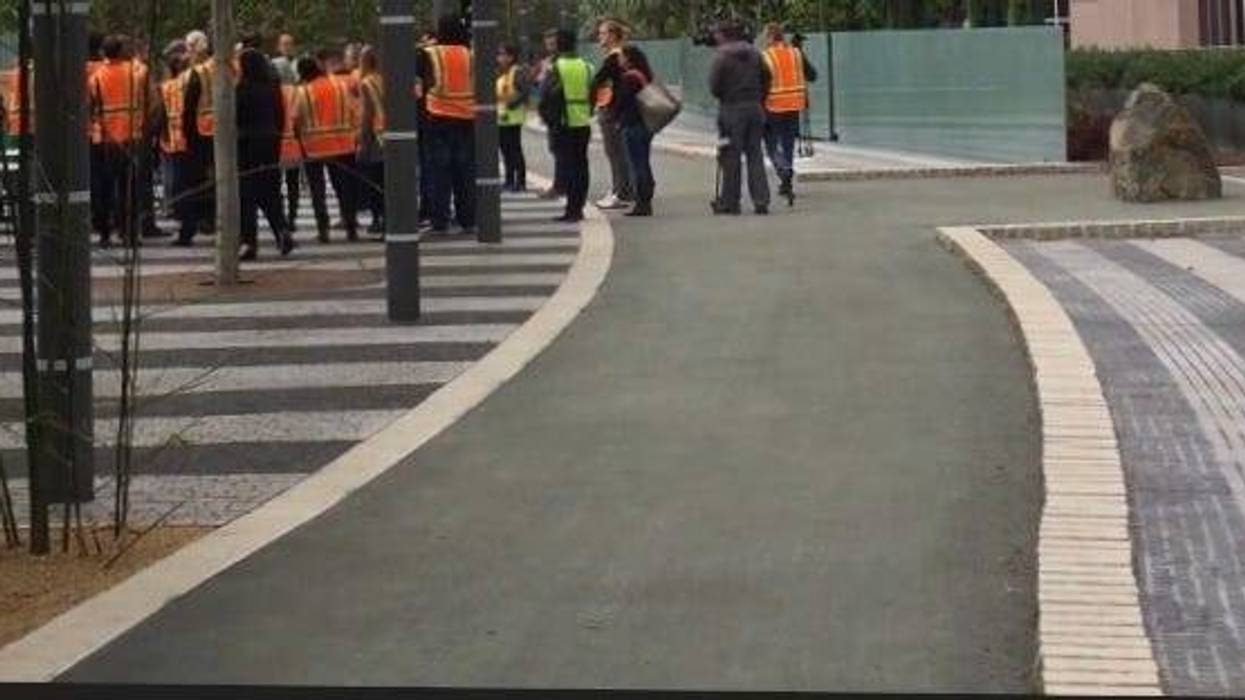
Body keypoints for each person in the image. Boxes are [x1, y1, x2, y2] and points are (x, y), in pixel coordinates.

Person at [88, 34, 151, 247]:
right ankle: (129, 233)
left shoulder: (96, 77)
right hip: (132, 137)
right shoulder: (136, 73)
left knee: (104, 188)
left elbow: (91, 108)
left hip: (106, 139)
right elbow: (147, 101)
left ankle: (104, 233)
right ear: (122, 51)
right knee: (129, 189)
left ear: (104, 53)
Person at [417, 14, 476, 234]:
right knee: (464, 172)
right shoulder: (470, 54)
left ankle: (440, 220)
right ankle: (467, 219)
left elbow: (417, 88)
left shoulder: (429, 53)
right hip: (466, 119)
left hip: (437, 118)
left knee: (438, 173)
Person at [293, 55, 359, 242]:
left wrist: (299, 139)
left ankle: (323, 229)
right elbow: (353, 110)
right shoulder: (340, 86)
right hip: (343, 143)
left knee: (317, 189)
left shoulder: (303, 92)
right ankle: (351, 225)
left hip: (314, 146)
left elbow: (296, 119)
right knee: (345, 187)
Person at [236, 48, 294, 260]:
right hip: (270, 142)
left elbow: (236, 117)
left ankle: (249, 241)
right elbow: (280, 115)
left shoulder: (241, 89)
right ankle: (281, 229)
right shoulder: (272, 87)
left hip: (247, 144)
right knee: (270, 191)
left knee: (246, 195)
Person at [708, 21, 770, 216]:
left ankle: (730, 201)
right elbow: (767, 77)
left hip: (731, 109)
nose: (715, 37)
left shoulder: (721, 56)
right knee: (755, 154)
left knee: (730, 156)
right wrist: (759, 98)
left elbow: (714, 86)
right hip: (755, 108)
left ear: (724, 35)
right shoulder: (755, 53)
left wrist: (726, 95)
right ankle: (761, 200)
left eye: (717, 34)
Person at [539, 28, 592, 223]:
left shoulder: (556, 67)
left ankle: (571, 210)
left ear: (559, 45)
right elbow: (595, 92)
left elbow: (547, 94)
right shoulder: (587, 66)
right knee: (582, 166)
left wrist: (547, 118)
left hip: (563, 123)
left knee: (568, 167)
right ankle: (579, 207)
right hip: (583, 122)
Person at [761, 23, 817, 202]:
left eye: (765, 37)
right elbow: (812, 75)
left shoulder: (766, 56)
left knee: (771, 144)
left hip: (774, 106)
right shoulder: (796, 53)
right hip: (794, 105)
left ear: (770, 37)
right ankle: (787, 183)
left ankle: (783, 170)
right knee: (788, 144)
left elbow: (761, 83)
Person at [177, 29, 218, 245]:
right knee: (214, 180)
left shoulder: (196, 73)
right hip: (220, 132)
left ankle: (190, 227)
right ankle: (209, 220)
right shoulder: (222, 68)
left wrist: (183, 134)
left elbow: (188, 108)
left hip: (199, 134)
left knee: (193, 183)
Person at [590, 19, 634, 210]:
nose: (599, 37)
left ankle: (621, 192)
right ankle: (621, 189)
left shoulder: (614, 57)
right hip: (612, 108)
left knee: (615, 152)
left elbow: (598, 81)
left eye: (603, 33)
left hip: (611, 109)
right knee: (617, 151)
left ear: (613, 36)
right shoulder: (619, 55)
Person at [153, 43, 192, 241]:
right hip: (188, 138)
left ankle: (173, 207)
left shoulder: (165, 87)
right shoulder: (188, 84)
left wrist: (155, 134)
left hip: (169, 138)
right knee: (183, 178)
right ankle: (182, 212)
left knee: (171, 175)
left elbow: (160, 113)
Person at [614, 46, 655, 217]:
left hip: (632, 124)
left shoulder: (629, 78)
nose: (619, 60)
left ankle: (642, 202)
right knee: (643, 161)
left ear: (628, 58)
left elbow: (621, 102)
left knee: (637, 164)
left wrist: (615, 116)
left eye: (621, 57)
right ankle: (646, 199)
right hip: (645, 124)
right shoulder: (644, 75)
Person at [357, 45, 385, 235]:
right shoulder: (387, 78)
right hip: (391, 135)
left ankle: (378, 219)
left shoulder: (367, 82)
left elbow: (368, 114)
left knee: (375, 181)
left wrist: (362, 140)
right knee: (387, 180)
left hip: (377, 136)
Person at [534, 29, 564, 200]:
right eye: (548, 42)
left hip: (558, 113)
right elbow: (539, 83)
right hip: (551, 114)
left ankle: (560, 186)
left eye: (553, 42)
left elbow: (553, 89)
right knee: (556, 150)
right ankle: (560, 185)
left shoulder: (561, 62)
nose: (550, 45)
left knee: (561, 151)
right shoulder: (548, 61)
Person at [496, 43, 528, 193]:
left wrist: (512, 104)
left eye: (503, 54)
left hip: (513, 118)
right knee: (506, 151)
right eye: (499, 55)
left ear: (511, 57)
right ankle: (509, 180)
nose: (500, 58)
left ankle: (520, 181)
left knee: (514, 150)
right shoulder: (501, 73)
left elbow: (524, 92)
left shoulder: (517, 71)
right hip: (502, 119)